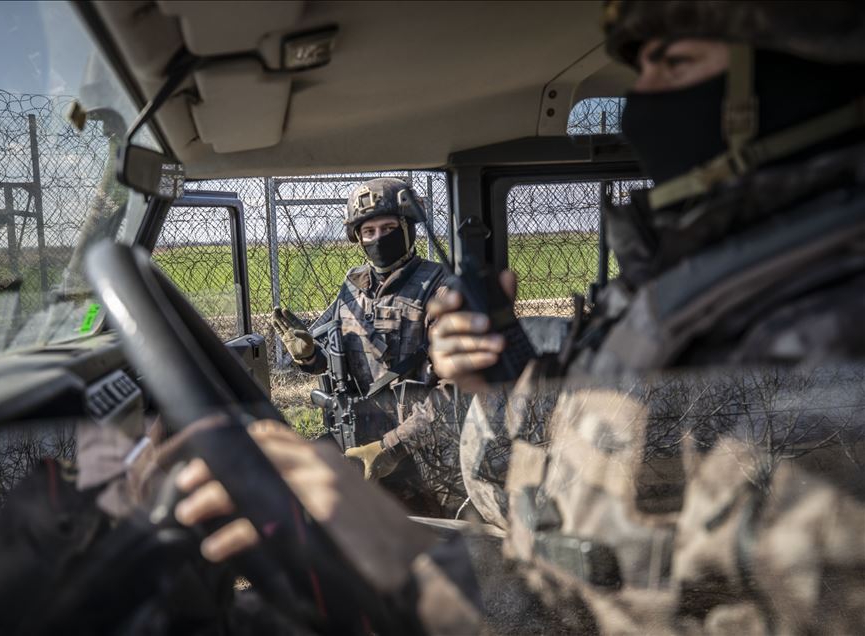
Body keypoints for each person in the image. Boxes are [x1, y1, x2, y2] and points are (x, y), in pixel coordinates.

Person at [177, 1, 865, 633]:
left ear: (792, 82)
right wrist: (500, 386)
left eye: (674, 64)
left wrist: (411, 562)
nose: (639, 100)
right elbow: (589, 492)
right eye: (642, 66)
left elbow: (696, 592)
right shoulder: (700, 281)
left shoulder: (822, 317)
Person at [271, 177, 451, 513]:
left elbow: (453, 393)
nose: (378, 238)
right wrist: (310, 356)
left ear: (408, 229)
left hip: (421, 459)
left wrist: (392, 447)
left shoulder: (438, 290)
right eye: (369, 232)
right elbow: (339, 363)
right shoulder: (353, 289)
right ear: (358, 237)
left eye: (388, 227)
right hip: (356, 443)